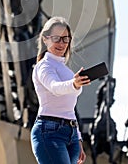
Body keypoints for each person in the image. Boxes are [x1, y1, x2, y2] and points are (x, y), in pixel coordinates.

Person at [30, 16, 91, 164]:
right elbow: (55, 87)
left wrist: (78, 138)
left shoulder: (66, 71)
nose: (61, 43)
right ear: (45, 39)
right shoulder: (44, 66)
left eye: (65, 39)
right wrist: (74, 84)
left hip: (71, 135)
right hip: (49, 132)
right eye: (56, 38)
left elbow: (69, 108)